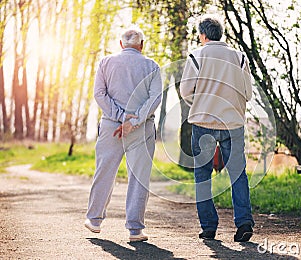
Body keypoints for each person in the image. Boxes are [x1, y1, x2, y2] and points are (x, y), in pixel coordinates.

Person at [180, 15, 254, 242]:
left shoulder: (196, 56)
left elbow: (185, 91)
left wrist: (200, 103)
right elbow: (248, 94)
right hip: (233, 124)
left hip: (203, 123)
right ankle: (244, 223)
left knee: (202, 176)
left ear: (203, 35)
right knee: (237, 174)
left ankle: (209, 227)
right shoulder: (240, 57)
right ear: (220, 34)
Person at [84, 27, 162, 242]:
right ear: (142, 45)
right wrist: (133, 121)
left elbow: (99, 94)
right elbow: (155, 98)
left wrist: (120, 117)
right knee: (139, 177)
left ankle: (94, 220)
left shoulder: (105, 63)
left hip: (111, 126)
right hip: (142, 128)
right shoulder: (152, 66)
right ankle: (135, 230)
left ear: (121, 45)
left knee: (105, 171)